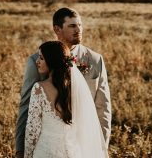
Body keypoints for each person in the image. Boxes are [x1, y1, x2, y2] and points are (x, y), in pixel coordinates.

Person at [16, 8, 111, 158]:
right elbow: (26, 106)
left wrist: (101, 147)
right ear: (57, 29)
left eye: (80, 25)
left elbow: (103, 108)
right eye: (72, 26)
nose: (79, 30)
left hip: (84, 145)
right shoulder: (37, 61)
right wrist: (20, 150)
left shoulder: (95, 60)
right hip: (48, 147)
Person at [23, 41, 106, 158]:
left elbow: (32, 130)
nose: (37, 61)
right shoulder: (76, 89)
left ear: (52, 61)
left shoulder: (39, 88)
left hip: (46, 151)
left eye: (41, 58)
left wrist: (27, 155)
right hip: (73, 151)